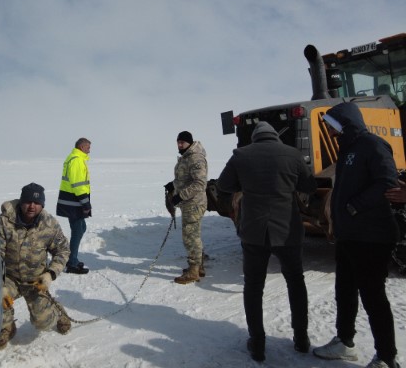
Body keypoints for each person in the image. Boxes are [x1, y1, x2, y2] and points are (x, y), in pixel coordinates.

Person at [217, 121, 317, 362]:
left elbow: (223, 186)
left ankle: (258, 343)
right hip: (288, 231)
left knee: (253, 286)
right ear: (274, 137)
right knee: (295, 281)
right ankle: (301, 339)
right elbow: (309, 186)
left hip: (254, 232)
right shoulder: (292, 154)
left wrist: (246, 184)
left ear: (255, 137)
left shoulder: (241, 155)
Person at [313, 103, 401, 368]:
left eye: (330, 124)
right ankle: (345, 342)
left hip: (371, 236)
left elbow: (387, 181)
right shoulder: (348, 148)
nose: (328, 130)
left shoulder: (372, 145)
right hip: (350, 235)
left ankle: (387, 357)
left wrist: (353, 207)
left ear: (344, 121)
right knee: (345, 292)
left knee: (373, 297)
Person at [0, 183, 71, 350]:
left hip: (36, 281)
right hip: (10, 278)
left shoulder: (49, 224)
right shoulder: (5, 222)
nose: (32, 206)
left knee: (43, 323)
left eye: (36, 203)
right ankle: (6, 327)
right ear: (21, 202)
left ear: (42, 204)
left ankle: (57, 312)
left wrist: (50, 274)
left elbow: (63, 250)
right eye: (28, 201)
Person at [164, 130, 208, 284]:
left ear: (190, 142)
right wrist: (173, 185)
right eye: (178, 142)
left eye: (182, 142)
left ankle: (194, 271)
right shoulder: (186, 157)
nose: (180, 144)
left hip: (193, 203)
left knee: (190, 237)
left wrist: (180, 196)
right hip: (189, 203)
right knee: (193, 236)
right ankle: (198, 267)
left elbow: (200, 184)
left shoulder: (195, 158)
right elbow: (185, 178)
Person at [56, 137, 92, 274]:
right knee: (78, 230)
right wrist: (85, 202)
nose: (89, 151)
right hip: (74, 202)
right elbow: (77, 184)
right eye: (88, 148)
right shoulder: (76, 160)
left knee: (81, 228)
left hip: (73, 201)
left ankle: (72, 258)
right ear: (82, 147)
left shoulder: (74, 158)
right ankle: (71, 263)